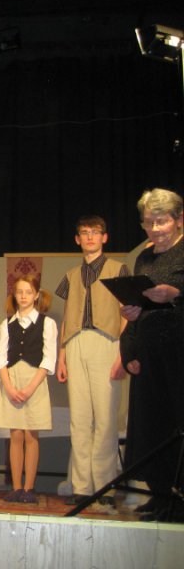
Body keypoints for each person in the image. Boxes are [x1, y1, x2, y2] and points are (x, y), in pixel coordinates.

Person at [120, 188, 184, 522]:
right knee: (151, 425)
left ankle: (179, 499)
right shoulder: (144, 258)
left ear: (179, 219)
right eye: (149, 222)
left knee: (176, 424)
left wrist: (176, 295)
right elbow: (138, 306)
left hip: (179, 355)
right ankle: (159, 495)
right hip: (149, 353)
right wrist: (130, 348)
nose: (155, 229)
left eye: (162, 221)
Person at [55, 216, 128, 508]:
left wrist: (123, 352)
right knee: (80, 419)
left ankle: (105, 487)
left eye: (95, 232)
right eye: (84, 233)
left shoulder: (118, 269)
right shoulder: (71, 274)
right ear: (77, 239)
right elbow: (67, 316)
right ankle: (82, 486)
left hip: (106, 342)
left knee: (106, 419)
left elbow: (126, 312)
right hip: (75, 343)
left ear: (104, 237)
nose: (89, 237)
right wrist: (62, 356)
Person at [0, 274, 57, 504]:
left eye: (28, 292)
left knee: (31, 434)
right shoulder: (6, 324)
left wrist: (30, 388)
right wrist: (8, 386)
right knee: (16, 434)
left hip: (34, 381)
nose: (24, 296)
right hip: (12, 379)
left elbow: (48, 359)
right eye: (19, 292)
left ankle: (29, 487)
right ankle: (16, 487)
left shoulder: (47, 323)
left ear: (36, 295)